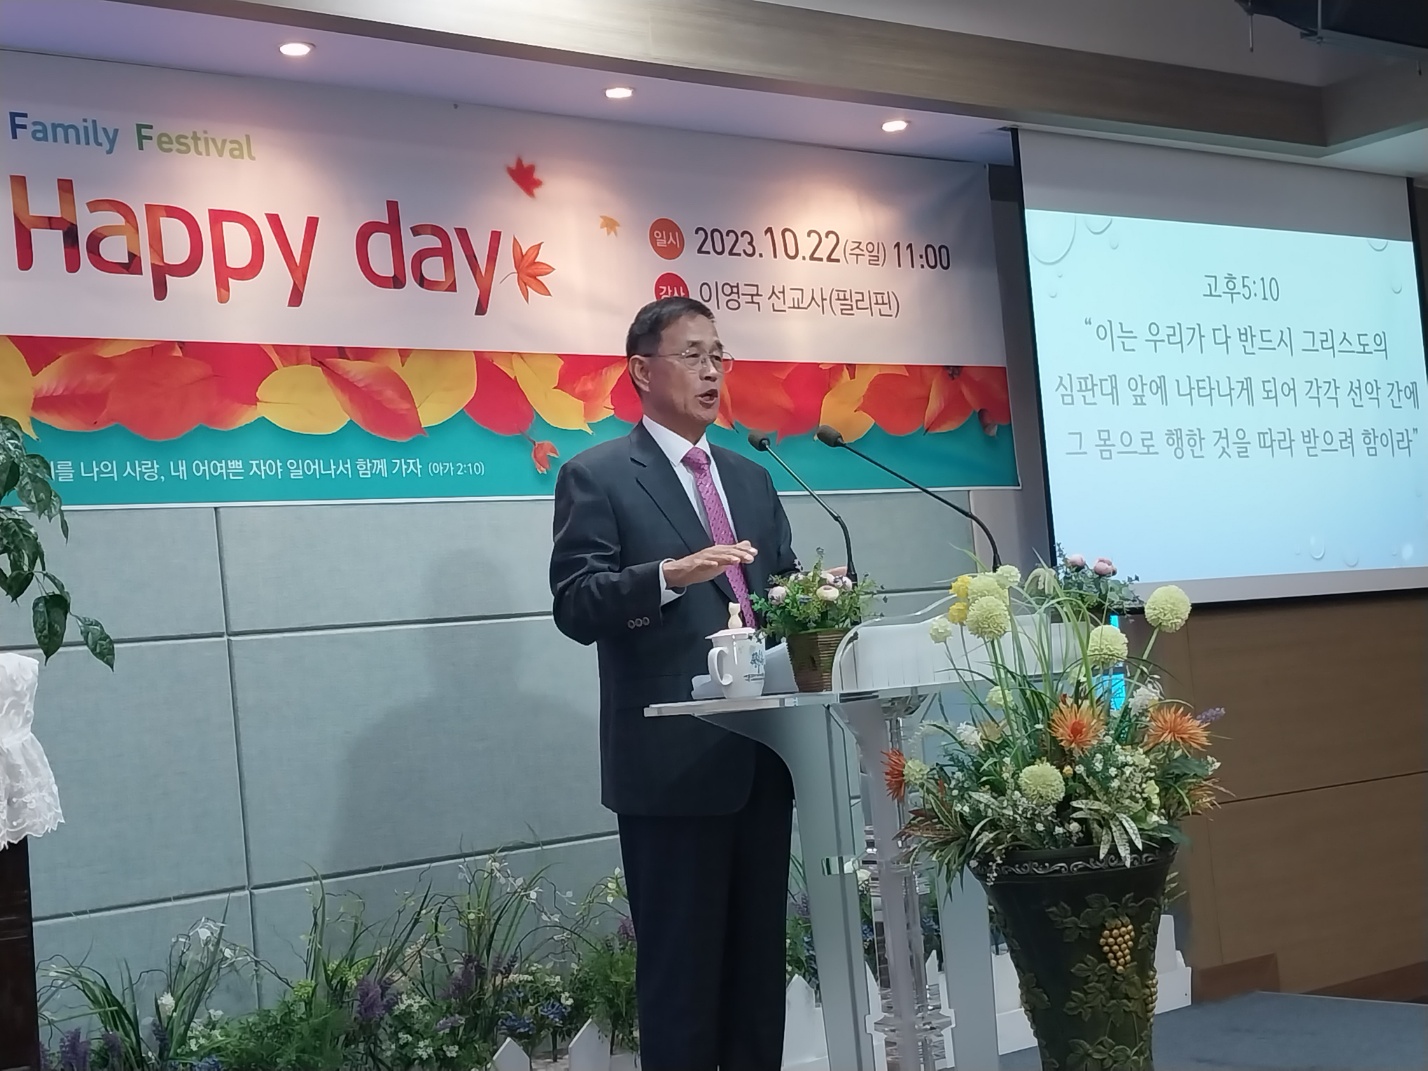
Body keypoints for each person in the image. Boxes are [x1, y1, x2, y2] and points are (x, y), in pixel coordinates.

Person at [549, 296, 800, 1070]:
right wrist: (665, 576)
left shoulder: (752, 478)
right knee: (682, 986)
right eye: (693, 354)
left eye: (719, 355)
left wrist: (819, 602)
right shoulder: (598, 476)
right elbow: (576, 604)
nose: (711, 370)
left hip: (762, 760)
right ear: (642, 370)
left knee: (757, 979)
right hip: (671, 768)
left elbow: (781, 591)